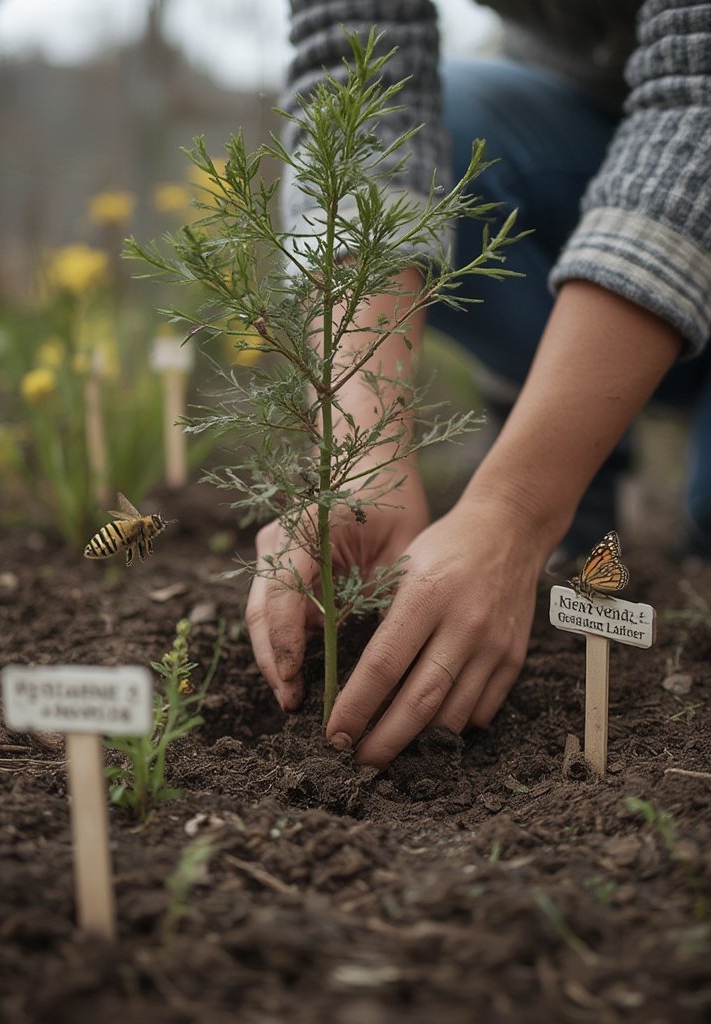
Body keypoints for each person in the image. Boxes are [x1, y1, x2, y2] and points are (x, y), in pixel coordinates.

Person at [245, 0, 711, 768]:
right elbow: (359, 61)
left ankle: (566, 481)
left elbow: (696, 105)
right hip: (577, 135)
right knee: (455, 127)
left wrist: (516, 510)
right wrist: (361, 461)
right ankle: (576, 466)